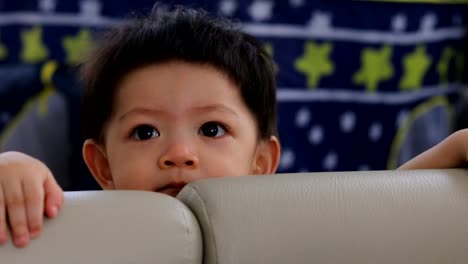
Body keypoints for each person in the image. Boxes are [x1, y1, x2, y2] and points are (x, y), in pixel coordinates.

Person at [0, 5, 467, 249]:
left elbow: (368, 236)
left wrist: (446, 155)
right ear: (102, 166)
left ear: (262, 161)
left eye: (211, 130)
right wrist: (13, 173)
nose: (179, 153)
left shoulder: (278, 237)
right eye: (145, 132)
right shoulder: (90, 233)